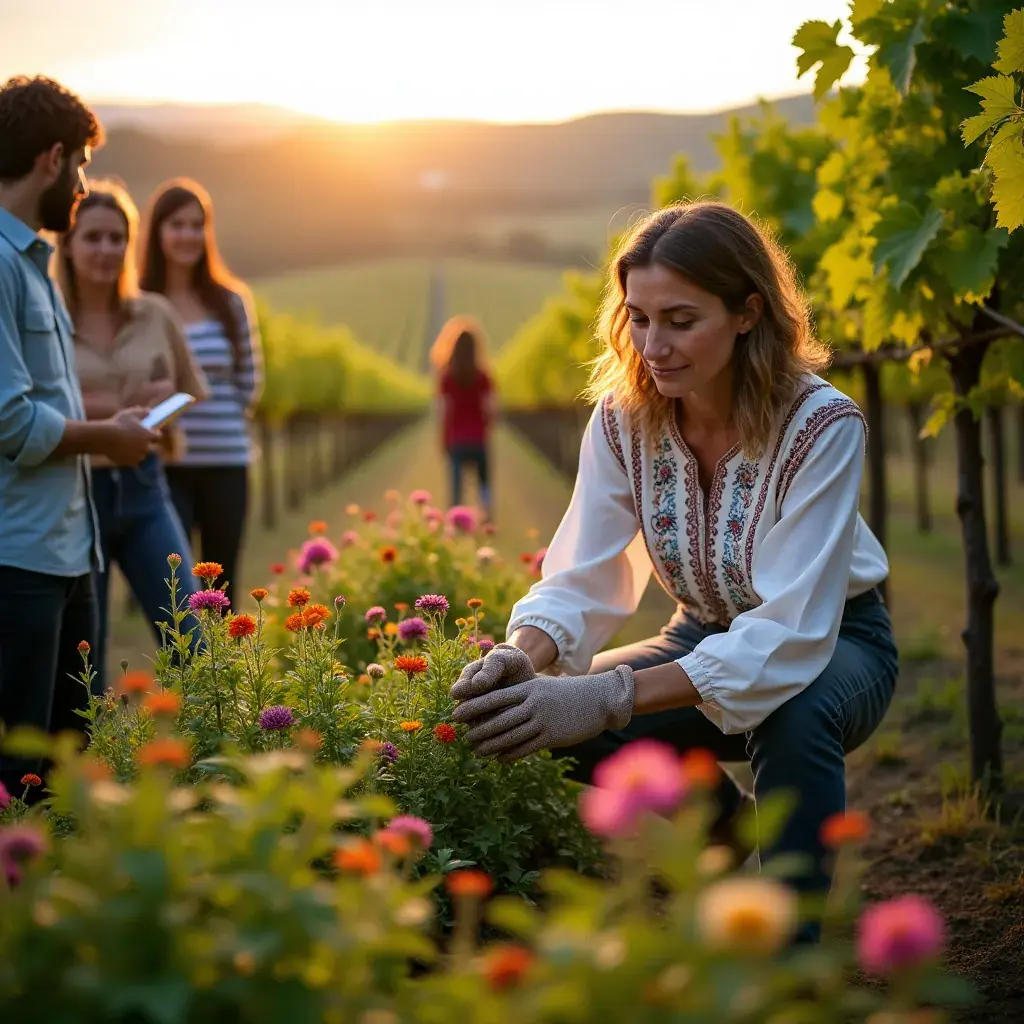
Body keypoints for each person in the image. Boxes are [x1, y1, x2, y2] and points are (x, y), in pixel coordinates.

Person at [450, 201, 898, 938]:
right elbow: (582, 574)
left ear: (748, 312)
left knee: (793, 711)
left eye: (681, 320)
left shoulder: (822, 426)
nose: (654, 346)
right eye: (639, 318)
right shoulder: (624, 419)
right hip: (697, 633)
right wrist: (520, 657)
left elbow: (788, 635)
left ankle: (794, 952)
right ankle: (722, 844)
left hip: (838, 641)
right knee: (550, 715)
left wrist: (611, 694)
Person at [0, 77, 159, 795]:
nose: (83, 183)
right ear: (53, 158)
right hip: (21, 562)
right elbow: (9, 420)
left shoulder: (34, 266)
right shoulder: (2, 267)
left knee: (71, 759)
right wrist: (109, 436)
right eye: (83, 166)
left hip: (69, 555)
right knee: (21, 768)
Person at [55, 180, 208, 686]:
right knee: (84, 658)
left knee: (190, 637)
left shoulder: (155, 314)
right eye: (93, 237)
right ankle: (86, 762)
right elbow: (42, 408)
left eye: (117, 238)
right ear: (69, 245)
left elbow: (190, 391)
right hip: (77, 496)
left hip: (146, 490)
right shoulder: (49, 321)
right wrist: (115, 407)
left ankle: (211, 756)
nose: (106, 250)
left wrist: (161, 404)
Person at [139, 179, 262, 600]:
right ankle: (181, 668)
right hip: (164, 466)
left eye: (198, 225)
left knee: (223, 590)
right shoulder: (139, 304)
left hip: (228, 464)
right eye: (177, 224)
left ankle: (221, 669)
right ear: (157, 232)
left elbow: (249, 383)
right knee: (172, 590)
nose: (189, 235)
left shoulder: (231, 302)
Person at [430, 316, 496, 520]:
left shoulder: (446, 378)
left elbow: (443, 413)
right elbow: (491, 410)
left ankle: (456, 524)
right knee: (483, 483)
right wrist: (485, 426)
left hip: (457, 440)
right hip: (479, 440)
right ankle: (486, 518)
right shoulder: (484, 376)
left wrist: (443, 438)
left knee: (456, 490)